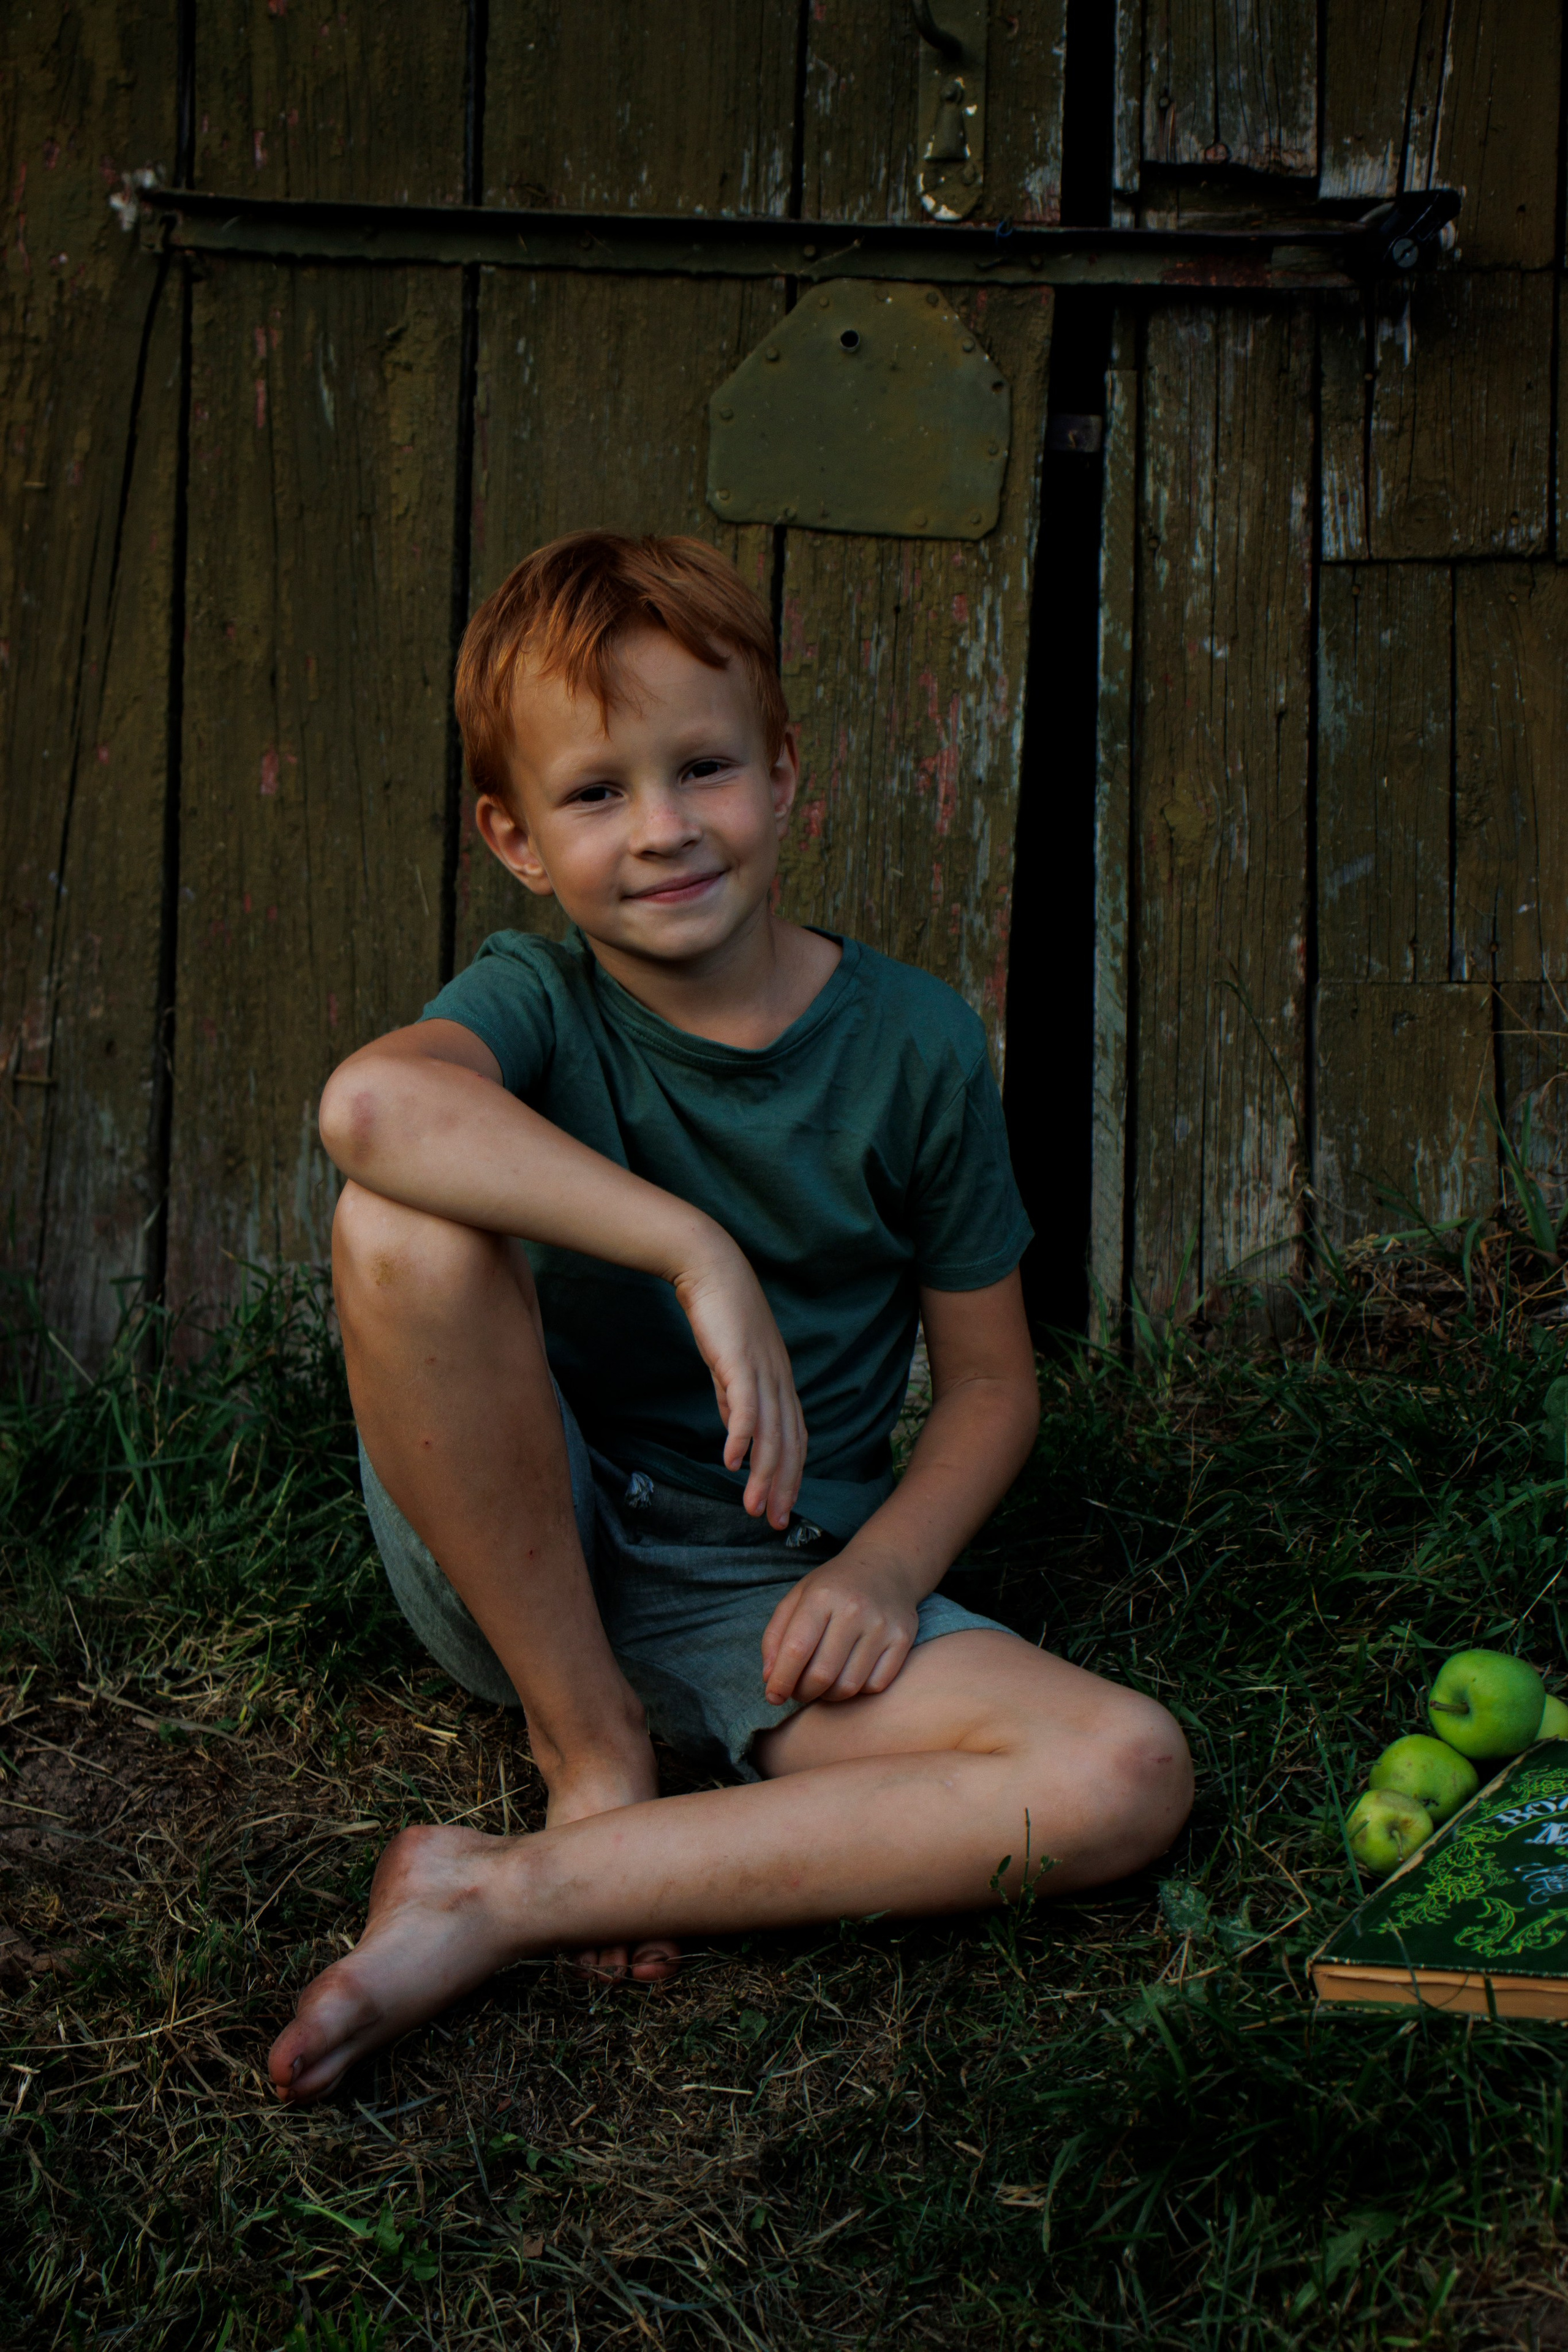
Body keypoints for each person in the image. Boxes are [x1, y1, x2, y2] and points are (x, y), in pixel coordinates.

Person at [268, 532, 1192, 2105]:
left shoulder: (912, 1043)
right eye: (595, 792)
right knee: (400, 1219)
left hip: (770, 1590)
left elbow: (989, 1386)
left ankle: (498, 1892)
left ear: (782, 773)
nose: (663, 828)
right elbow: (368, 1107)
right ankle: (589, 1752)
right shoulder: (535, 1001)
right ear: (513, 839)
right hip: (526, 1551)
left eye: (701, 767)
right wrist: (693, 1248)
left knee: (1121, 1772)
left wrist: (883, 1570)